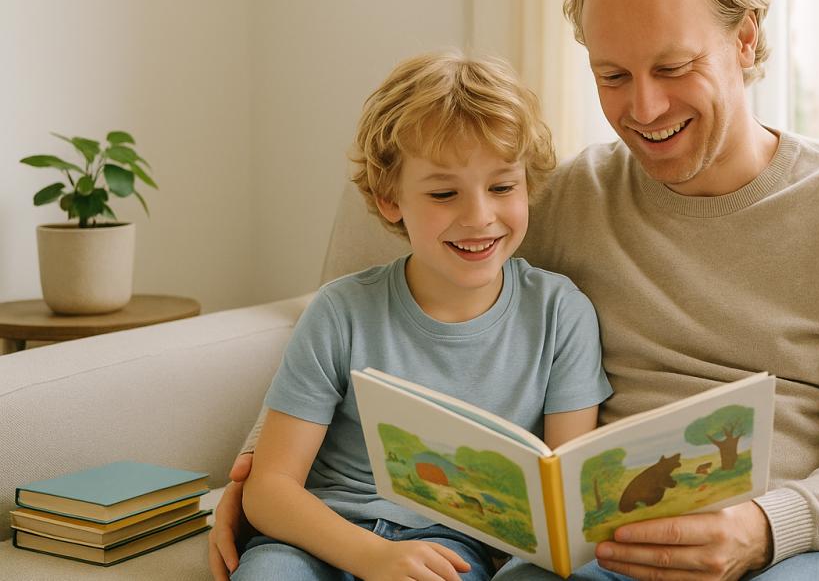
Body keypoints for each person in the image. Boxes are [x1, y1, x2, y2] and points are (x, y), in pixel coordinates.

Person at [211, 0, 819, 579]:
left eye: (673, 66)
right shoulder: (568, 197)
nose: (646, 107)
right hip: (614, 544)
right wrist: (256, 479)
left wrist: (767, 526)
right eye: (613, 76)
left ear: (745, 39)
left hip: (800, 549)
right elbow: (405, 299)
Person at [225, 52, 613, 581]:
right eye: (443, 193)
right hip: (320, 534)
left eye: (502, 186)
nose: (479, 216)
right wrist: (371, 556)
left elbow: (567, 503)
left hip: (446, 552)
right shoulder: (342, 311)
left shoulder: (560, 313)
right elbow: (270, 489)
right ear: (390, 200)